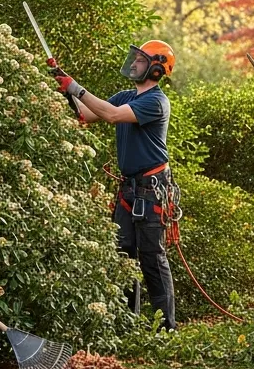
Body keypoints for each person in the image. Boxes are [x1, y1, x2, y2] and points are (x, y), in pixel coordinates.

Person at [54, 42, 178, 330]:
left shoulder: (156, 102)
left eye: (139, 59)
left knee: (152, 257)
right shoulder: (126, 96)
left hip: (151, 189)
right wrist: (65, 87)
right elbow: (87, 115)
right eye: (134, 58)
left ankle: (167, 328)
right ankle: (128, 325)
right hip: (129, 190)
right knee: (123, 255)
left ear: (156, 68)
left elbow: (111, 115)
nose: (133, 63)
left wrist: (76, 87)